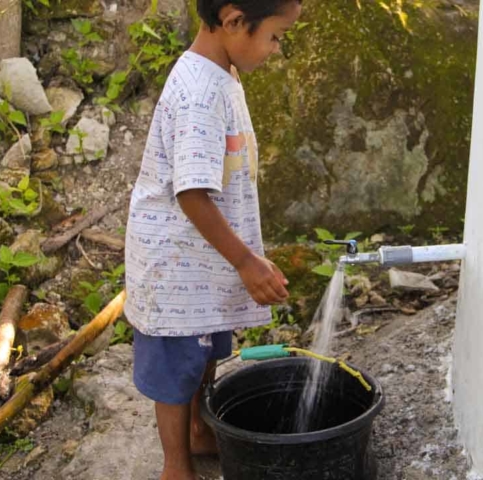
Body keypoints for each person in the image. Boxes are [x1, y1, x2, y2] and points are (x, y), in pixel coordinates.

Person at [124, 0, 303, 478]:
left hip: (201, 259)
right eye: (275, 36)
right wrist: (246, 261)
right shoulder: (199, 94)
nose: (276, 49)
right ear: (234, 21)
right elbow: (192, 193)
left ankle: (200, 435)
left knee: (203, 352)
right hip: (176, 261)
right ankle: (175, 466)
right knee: (176, 369)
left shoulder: (220, 73)